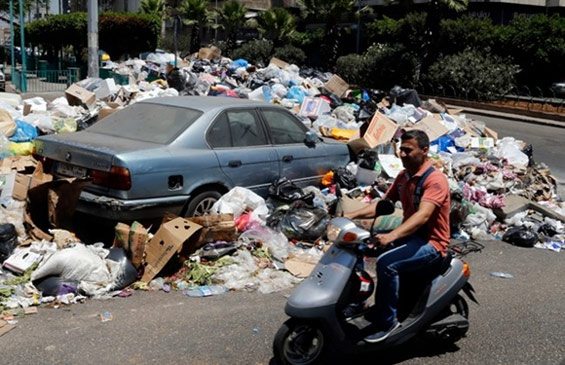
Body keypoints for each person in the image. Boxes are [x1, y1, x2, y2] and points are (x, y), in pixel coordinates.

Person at [345, 129, 451, 343]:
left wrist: (390, 236)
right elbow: (383, 205)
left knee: (387, 264)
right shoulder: (404, 177)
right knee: (357, 246)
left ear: (424, 150)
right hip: (410, 236)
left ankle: (387, 322)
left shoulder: (435, 180)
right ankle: (358, 303)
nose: (402, 154)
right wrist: (349, 215)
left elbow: (423, 216)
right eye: (400, 150)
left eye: (408, 150)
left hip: (432, 243)